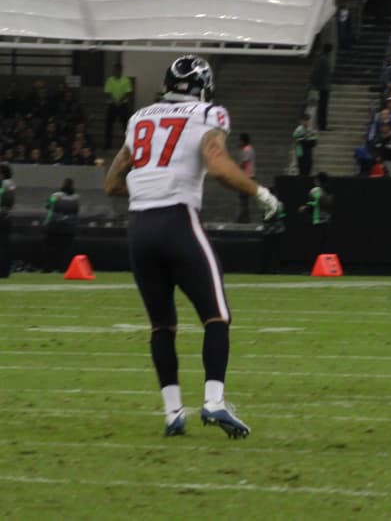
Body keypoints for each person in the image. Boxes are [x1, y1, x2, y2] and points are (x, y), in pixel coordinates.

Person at [103, 54, 284, 438]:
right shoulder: (209, 114)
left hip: (139, 226)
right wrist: (261, 193)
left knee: (162, 324)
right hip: (177, 220)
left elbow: (113, 182)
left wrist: (149, 182)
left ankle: (172, 414)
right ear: (204, 86)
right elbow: (218, 166)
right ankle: (214, 402)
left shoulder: (139, 118)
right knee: (217, 316)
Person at [42, 178, 80, 273]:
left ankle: (48, 268)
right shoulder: (76, 197)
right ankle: (63, 268)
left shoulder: (55, 196)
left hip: (54, 226)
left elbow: (48, 205)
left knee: (50, 248)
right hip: (69, 227)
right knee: (66, 249)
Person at [298, 172, 333, 253]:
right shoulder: (329, 191)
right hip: (327, 221)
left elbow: (311, 206)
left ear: (318, 181)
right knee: (324, 246)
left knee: (315, 246)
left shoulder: (315, 191)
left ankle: (316, 264)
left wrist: (304, 208)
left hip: (318, 222)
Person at [104, 63, 133, 148]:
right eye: (115, 70)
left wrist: (120, 101)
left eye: (117, 70)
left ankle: (127, 144)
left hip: (123, 105)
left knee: (125, 125)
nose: (116, 72)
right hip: (112, 105)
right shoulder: (109, 80)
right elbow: (107, 92)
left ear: (120, 71)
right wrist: (114, 101)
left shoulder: (126, 80)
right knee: (109, 125)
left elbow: (128, 92)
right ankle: (107, 144)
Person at [310, 44, 333, 131]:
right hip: (322, 87)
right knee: (322, 107)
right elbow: (318, 73)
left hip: (324, 86)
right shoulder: (323, 59)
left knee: (323, 107)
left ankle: (323, 124)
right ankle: (322, 125)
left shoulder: (323, 58)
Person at [236, 133, 255, 224]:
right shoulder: (246, 149)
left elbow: (243, 164)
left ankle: (244, 218)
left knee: (244, 198)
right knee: (243, 199)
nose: (238, 142)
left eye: (240, 140)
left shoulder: (247, 150)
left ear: (243, 141)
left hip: (247, 177)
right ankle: (243, 217)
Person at [0, 163, 14, 278]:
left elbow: (6, 201)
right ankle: (5, 270)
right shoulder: (9, 184)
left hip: (2, 217)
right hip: (6, 217)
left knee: (3, 245)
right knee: (5, 244)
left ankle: (3, 270)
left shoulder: (6, 184)